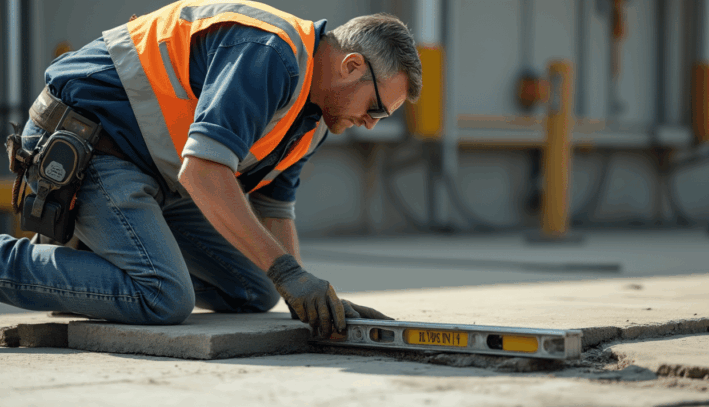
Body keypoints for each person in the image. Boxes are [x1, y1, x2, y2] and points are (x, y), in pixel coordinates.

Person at [0, 0, 422, 338]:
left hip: (153, 172)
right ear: (350, 66)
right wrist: (289, 273)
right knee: (161, 297)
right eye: (376, 109)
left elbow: (274, 208)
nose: (371, 123)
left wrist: (303, 291)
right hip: (90, 141)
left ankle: (92, 264)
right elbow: (203, 172)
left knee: (255, 289)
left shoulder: (314, 120)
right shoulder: (271, 54)